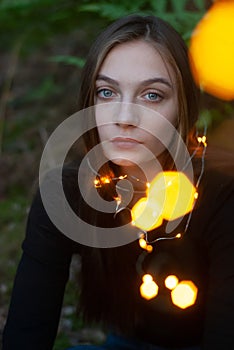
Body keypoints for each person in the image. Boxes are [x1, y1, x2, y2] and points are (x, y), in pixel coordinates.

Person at [2, 14, 234, 350]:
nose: (124, 118)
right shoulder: (68, 195)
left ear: (183, 108)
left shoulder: (221, 197)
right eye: (107, 92)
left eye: (152, 95)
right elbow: (27, 331)